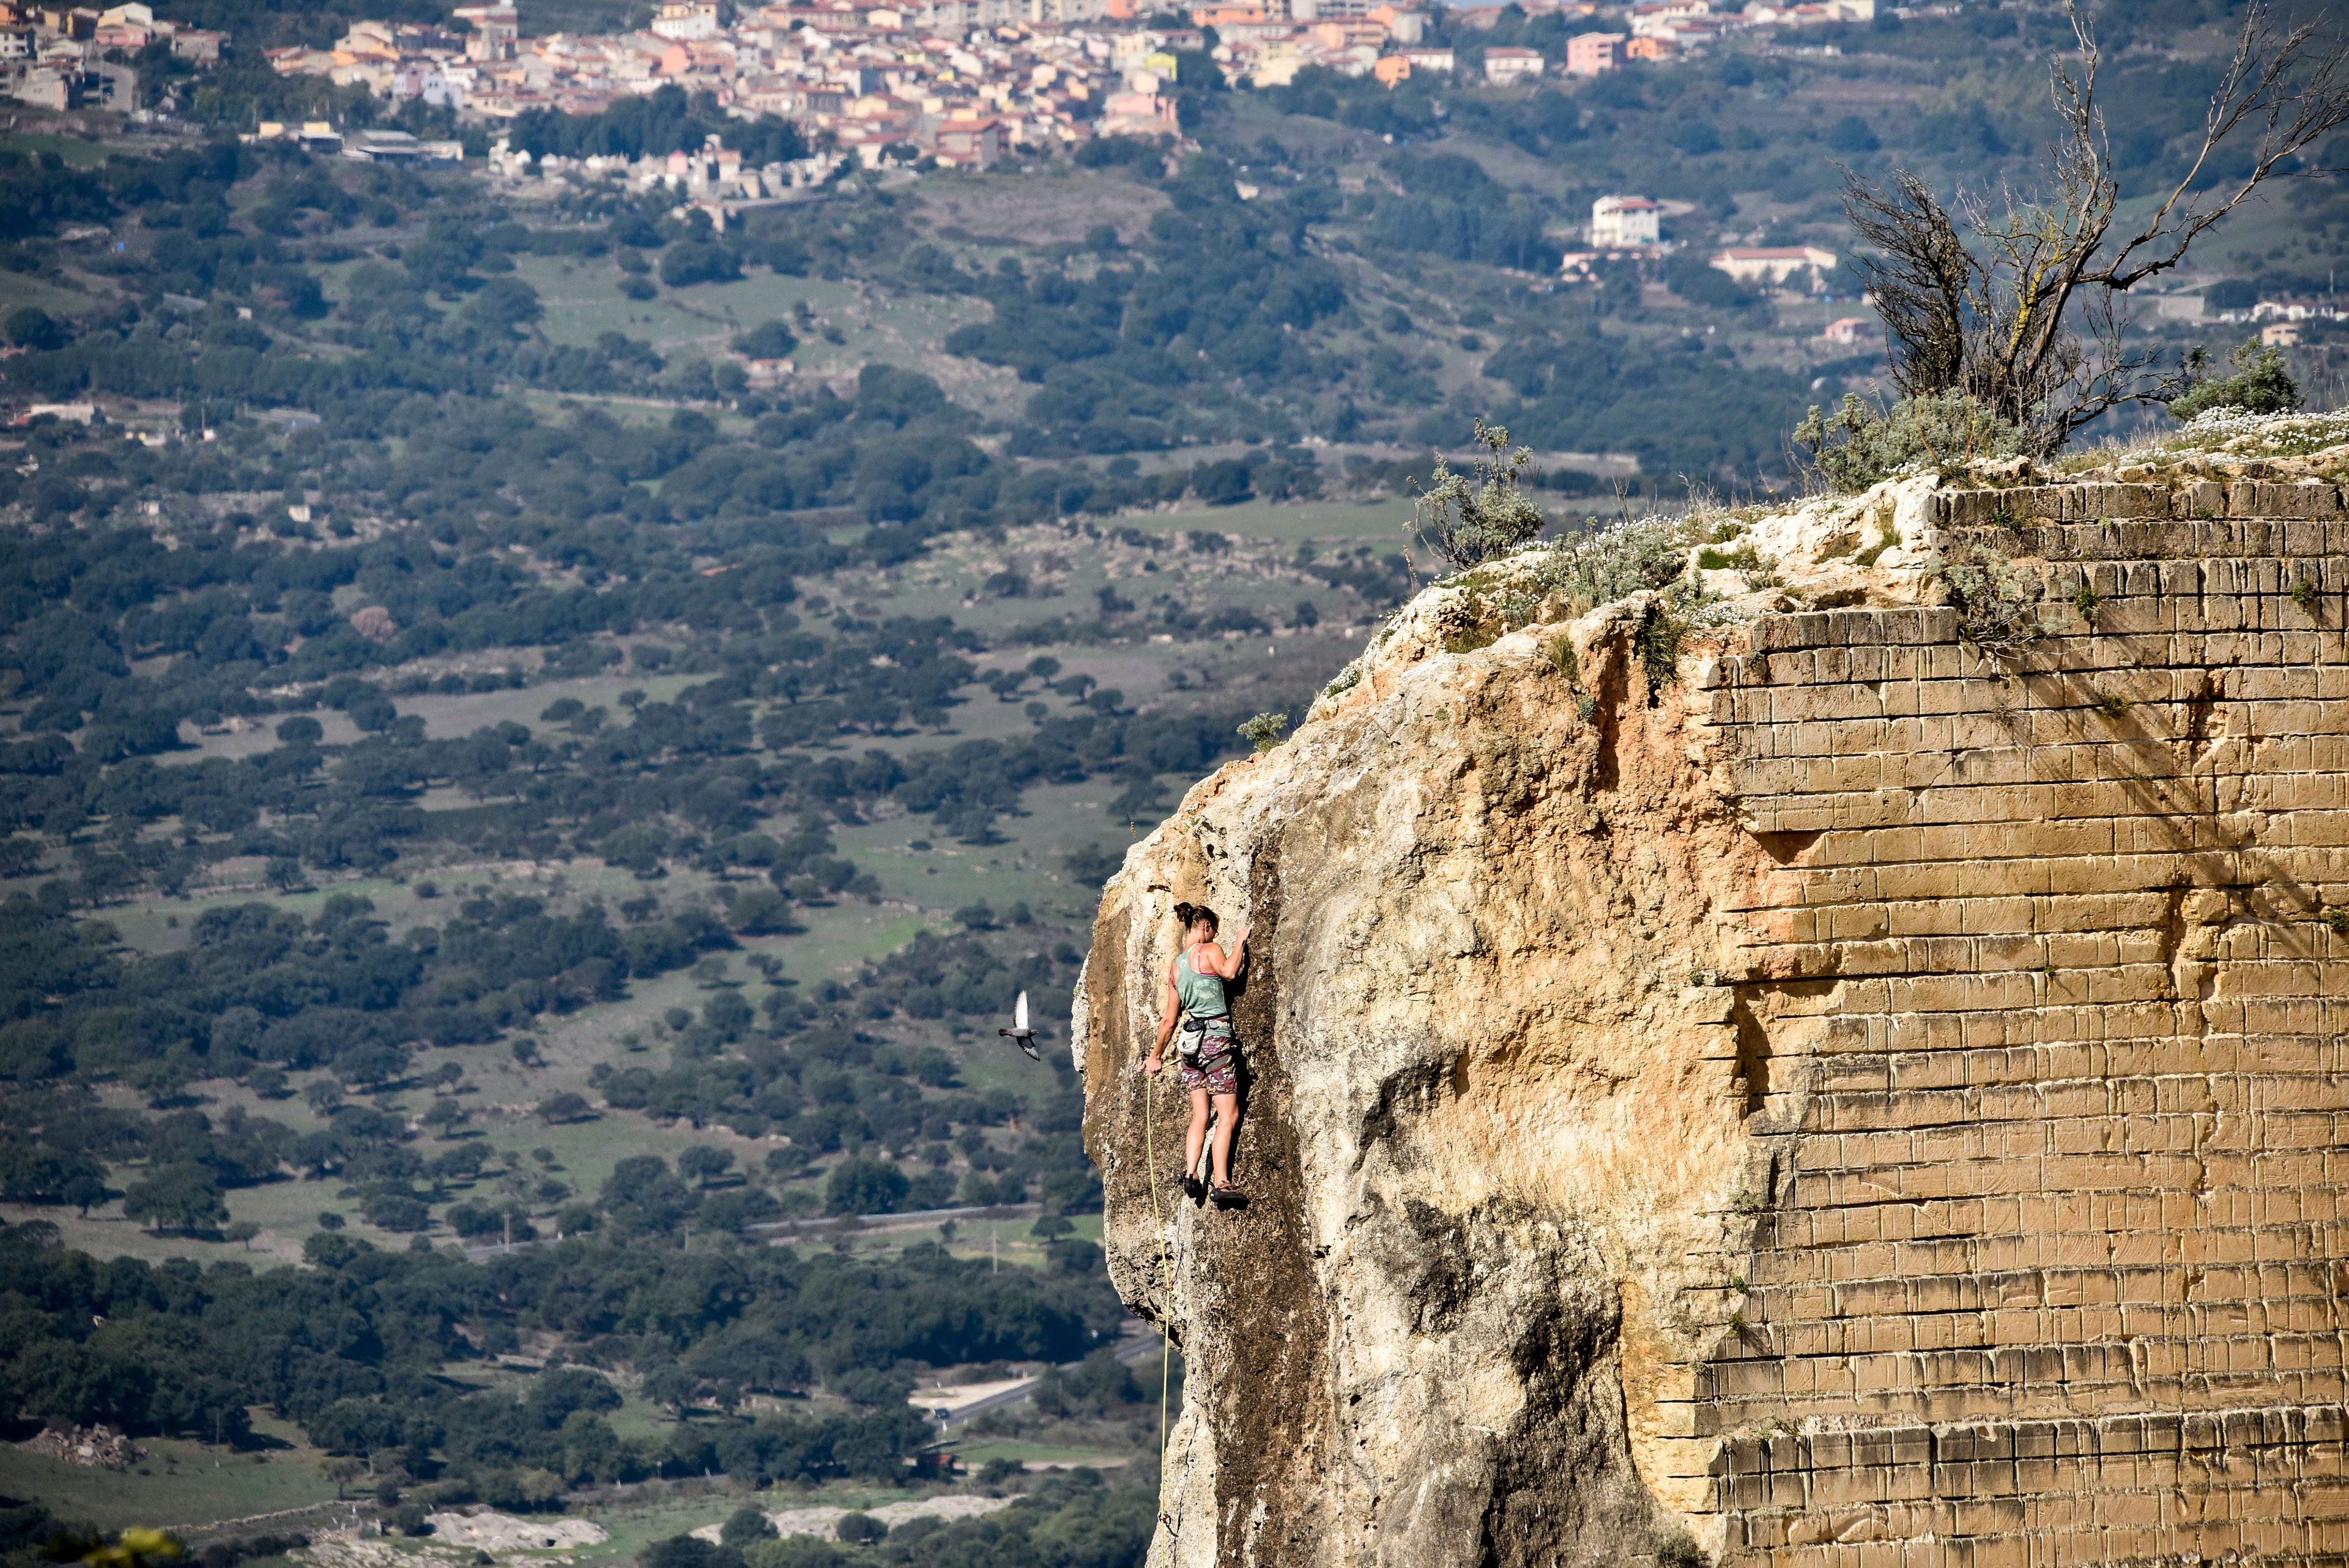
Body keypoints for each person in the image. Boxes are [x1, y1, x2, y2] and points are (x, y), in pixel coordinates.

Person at [1145, 900, 1250, 1205]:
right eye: (1214, 929)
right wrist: (1240, 941)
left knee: (1200, 1115)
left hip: (1190, 1047)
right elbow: (1230, 972)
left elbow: (1169, 1020)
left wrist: (1156, 1057)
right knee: (1228, 1115)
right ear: (1206, 928)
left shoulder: (1176, 968)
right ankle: (1221, 1182)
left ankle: (1191, 1173)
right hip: (1215, 1041)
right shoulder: (1210, 949)